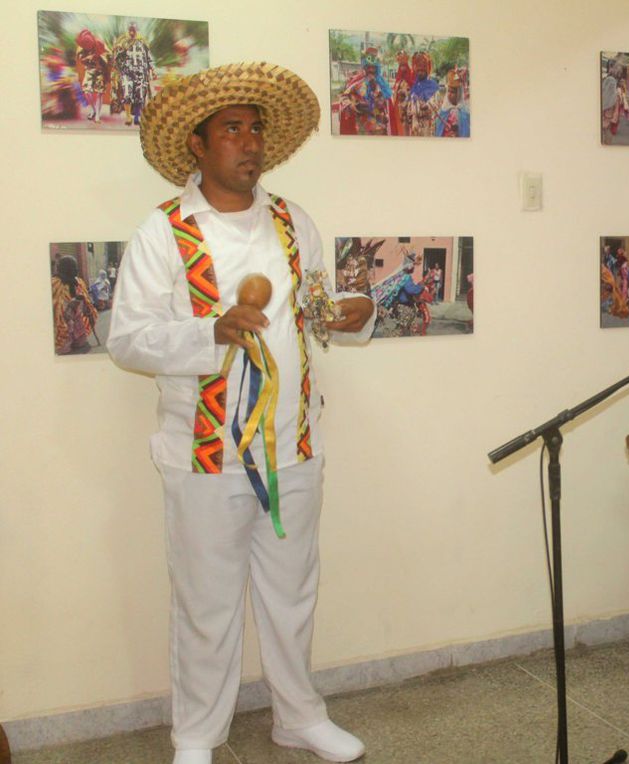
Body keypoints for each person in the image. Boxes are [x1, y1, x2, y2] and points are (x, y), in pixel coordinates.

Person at [107, 62, 376, 764]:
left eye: (255, 128)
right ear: (197, 146)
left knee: (293, 597)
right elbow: (127, 338)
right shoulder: (165, 232)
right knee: (206, 607)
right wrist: (210, 332)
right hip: (204, 458)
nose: (248, 141)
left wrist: (357, 314)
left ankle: (299, 717)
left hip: (294, 448)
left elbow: (317, 313)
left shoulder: (293, 222)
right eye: (231, 129)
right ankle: (196, 736)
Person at [112, 22, 156, 126]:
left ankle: (137, 116)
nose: (132, 32)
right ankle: (128, 117)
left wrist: (153, 70)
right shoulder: (124, 43)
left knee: (140, 96)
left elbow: (149, 58)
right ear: (128, 30)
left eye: (134, 30)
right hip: (127, 73)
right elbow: (116, 58)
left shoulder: (143, 43)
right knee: (127, 94)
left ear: (137, 31)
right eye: (130, 30)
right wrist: (117, 49)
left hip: (141, 73)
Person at [52, 255, 98, 354]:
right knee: (65, 347)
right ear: (66, 268)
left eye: (76, 267)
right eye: (74, 267)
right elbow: (54, 305)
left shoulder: (78, 281)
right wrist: (68, 305)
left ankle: (78, 343)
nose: (77, 269)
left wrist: (86, 306)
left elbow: (85, 296)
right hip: (64, 320)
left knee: (81, 341)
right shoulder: (55, 283)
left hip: (77, 318)